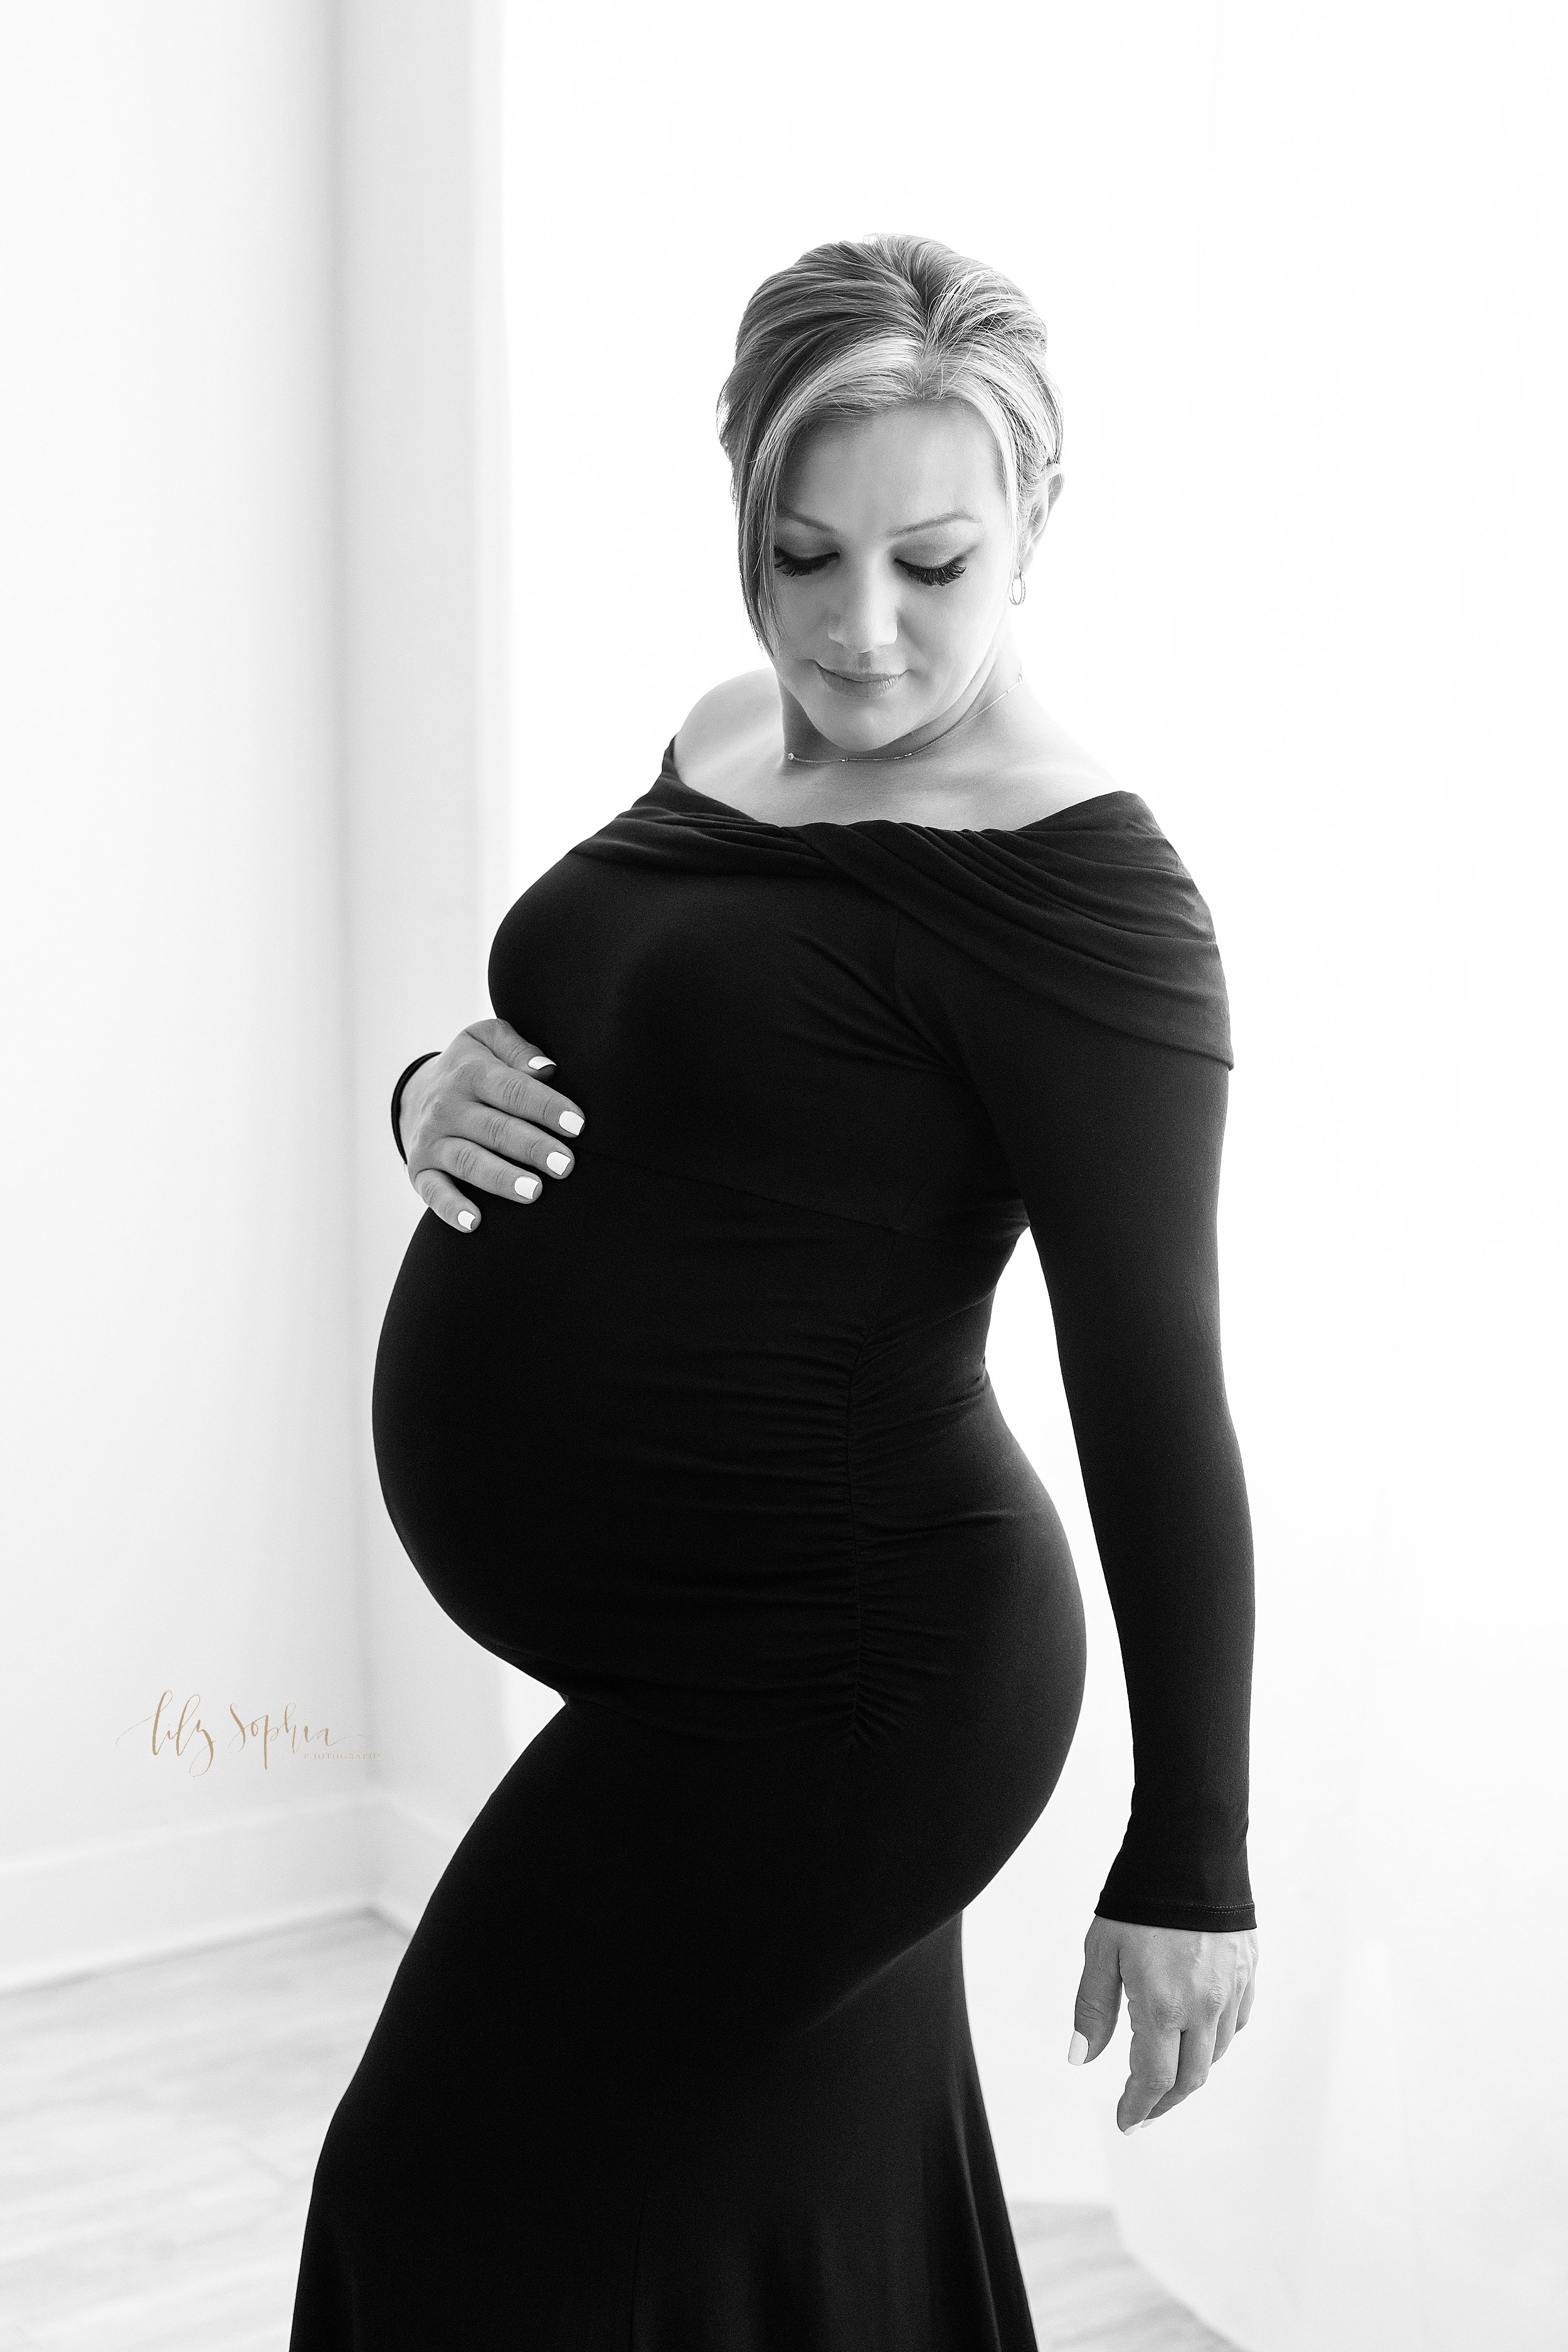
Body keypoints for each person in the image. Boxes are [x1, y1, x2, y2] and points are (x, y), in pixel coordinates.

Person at [290, 231, 1258, 2351]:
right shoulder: (735, 731)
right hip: (706, 1665)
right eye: (801, 553)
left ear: (1035, 521)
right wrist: (418, 1093)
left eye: (930, 560)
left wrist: (1191, 1854)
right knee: (793, 2217)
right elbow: (625, 1043)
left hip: (851, 1687)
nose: (858, 630)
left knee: (434, 2197)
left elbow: (1151, 1380)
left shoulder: (1083, 894)